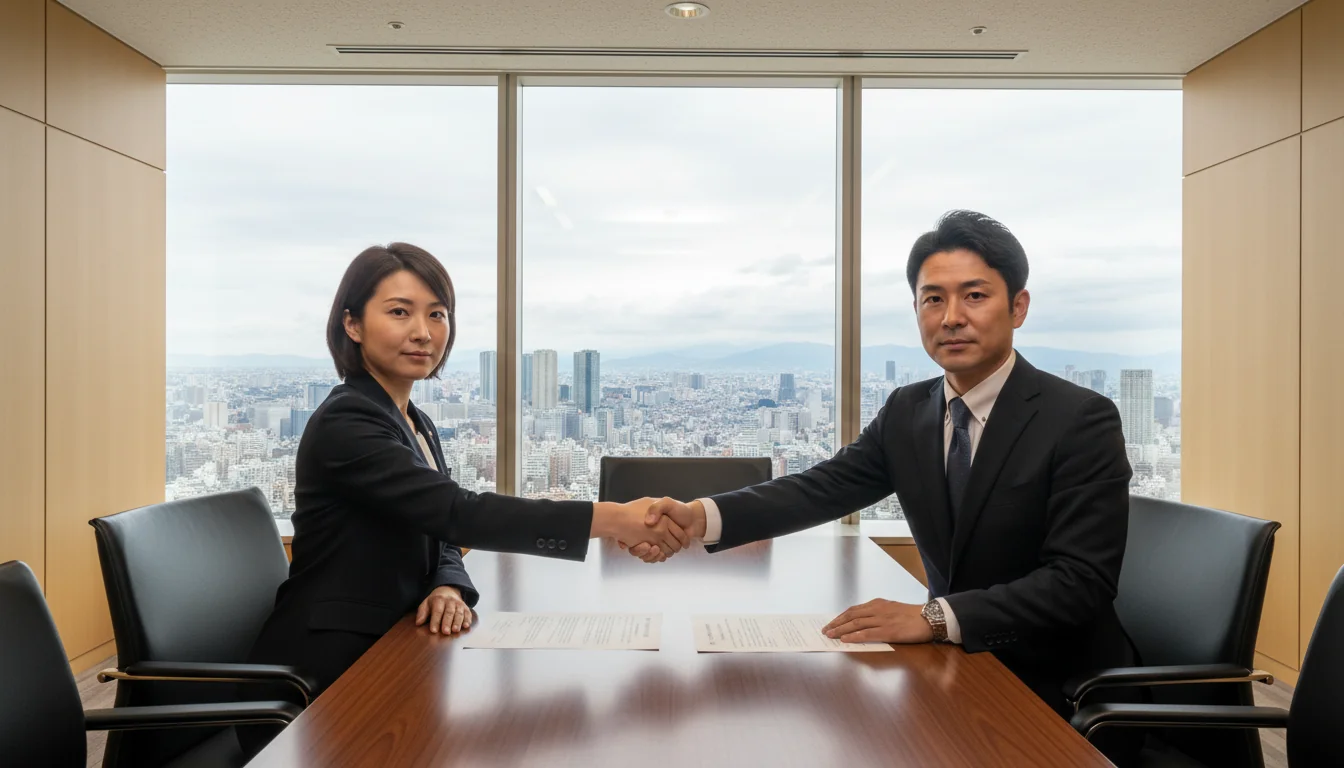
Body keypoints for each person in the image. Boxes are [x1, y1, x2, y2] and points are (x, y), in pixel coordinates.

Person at [634, 211, 1138, 722]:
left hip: (1058, 689)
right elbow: (823, 488)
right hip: (948, 675)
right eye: (933, 298)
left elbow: (1080, 582)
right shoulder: (908, 411)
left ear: (1019, 307)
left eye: (975, 295)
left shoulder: (1078, 419)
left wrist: (934, 618)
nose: (951, 317)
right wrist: (701, 517)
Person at [246, 243, 687, 710]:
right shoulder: (348, 423)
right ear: (351, 324)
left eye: (437, 315)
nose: (422, 332)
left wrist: (448, 583)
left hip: (397, 651)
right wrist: (615, 518)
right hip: (325, 680)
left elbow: (441, 534)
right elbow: (458, 513)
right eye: (400, 312)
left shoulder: (412, 420)